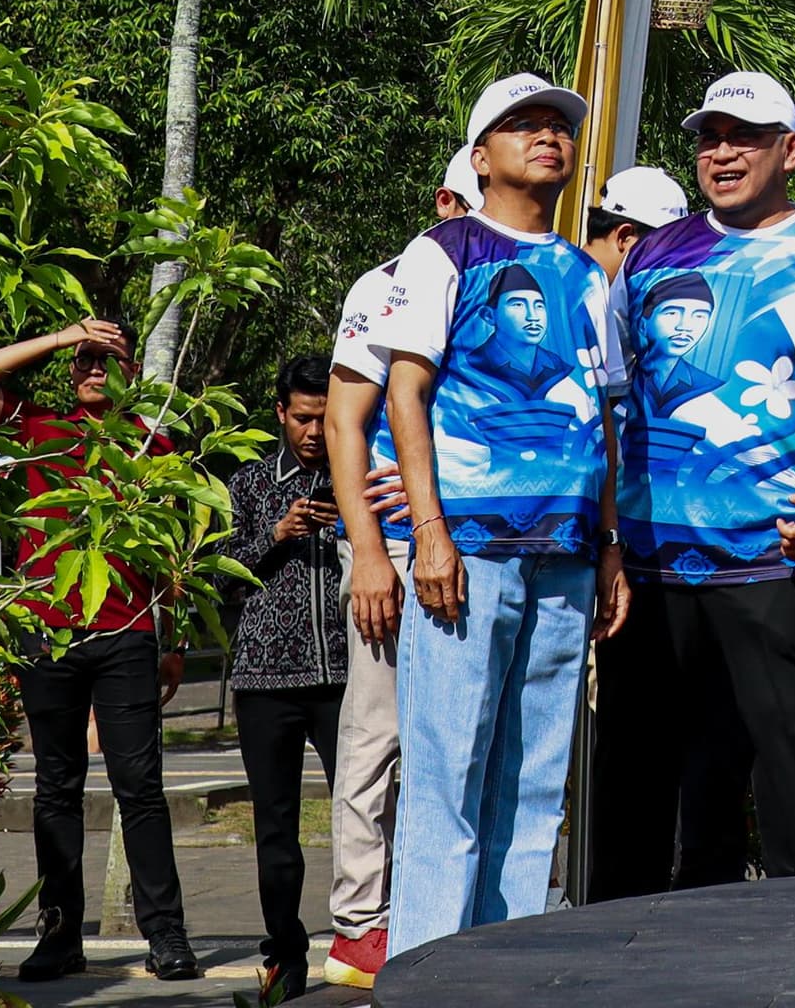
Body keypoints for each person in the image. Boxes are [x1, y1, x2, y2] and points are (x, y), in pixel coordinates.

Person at [590, 71, 795, 893]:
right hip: (652, 571)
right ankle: (610, 962)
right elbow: (609, 406)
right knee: (633, 792)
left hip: (772, 562)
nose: (722, 153)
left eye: (745, 137)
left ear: (790, 151)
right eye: (709, 137)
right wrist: (609, 542)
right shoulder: (652, 256)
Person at [368, 76, 626, 954]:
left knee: (535, 782)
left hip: (566, 549)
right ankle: (426, 973)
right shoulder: (445, 250)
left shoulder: (587, 275)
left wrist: (613, 546)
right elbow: (404, 392)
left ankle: (508, 972)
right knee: (448, 776)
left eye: (557, 125)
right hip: (468, 548)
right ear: (481, 158)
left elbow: (607, 413)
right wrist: (428, 533)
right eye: (523, 124)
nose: (546, 136)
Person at [0, 315, 197, 985]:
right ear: (68, 372)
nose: (93, 369)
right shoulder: (41, 429)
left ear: (129, 377)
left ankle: (166, 935)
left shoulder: (153, 444)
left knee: (140, 788)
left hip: (127, 634)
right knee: (55, 792)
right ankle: (59, 937)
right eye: (83, 361)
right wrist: (63, 336)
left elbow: (169, 552)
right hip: (48, 633)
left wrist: (171, 638)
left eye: (106, 360)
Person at [314, 159, 472, 987]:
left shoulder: (511, 269)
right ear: (444, 200)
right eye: (471, 209)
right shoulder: (385, 285)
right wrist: (368, 548)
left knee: (454, 736)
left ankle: (430, 905)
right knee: (378, 731)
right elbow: (346, 422)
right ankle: (358, 923)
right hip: (399, 543)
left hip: (478, 542)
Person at [221, 359, 349, 1000]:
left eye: (325, 418)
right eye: (303, 418)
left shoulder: (355, 474)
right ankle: (285, 952)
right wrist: (276, 534)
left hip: (341, 675)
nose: (314, 431)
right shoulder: (246, 483)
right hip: (265, 679)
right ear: (280, 413)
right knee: (276, 827)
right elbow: (218, 573)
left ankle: (367, 936)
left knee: (362, 814)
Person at [590, 163, 692, 276]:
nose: (672, 260)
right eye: (665, 249)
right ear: (624, 237)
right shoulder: (577, 290)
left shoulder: (574, 278)